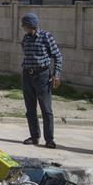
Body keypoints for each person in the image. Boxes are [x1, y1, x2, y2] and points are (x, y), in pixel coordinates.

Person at [19, 12, 62, 149]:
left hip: (42, 76)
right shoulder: (26, 38)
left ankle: (49, 139)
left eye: (24, 25)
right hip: (27, 75)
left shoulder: (46, 37)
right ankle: (34, 136)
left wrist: (56, 74)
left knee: (46, 109)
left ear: (30, 25)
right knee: (30, 108)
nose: (23, 27)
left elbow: (57, 56)